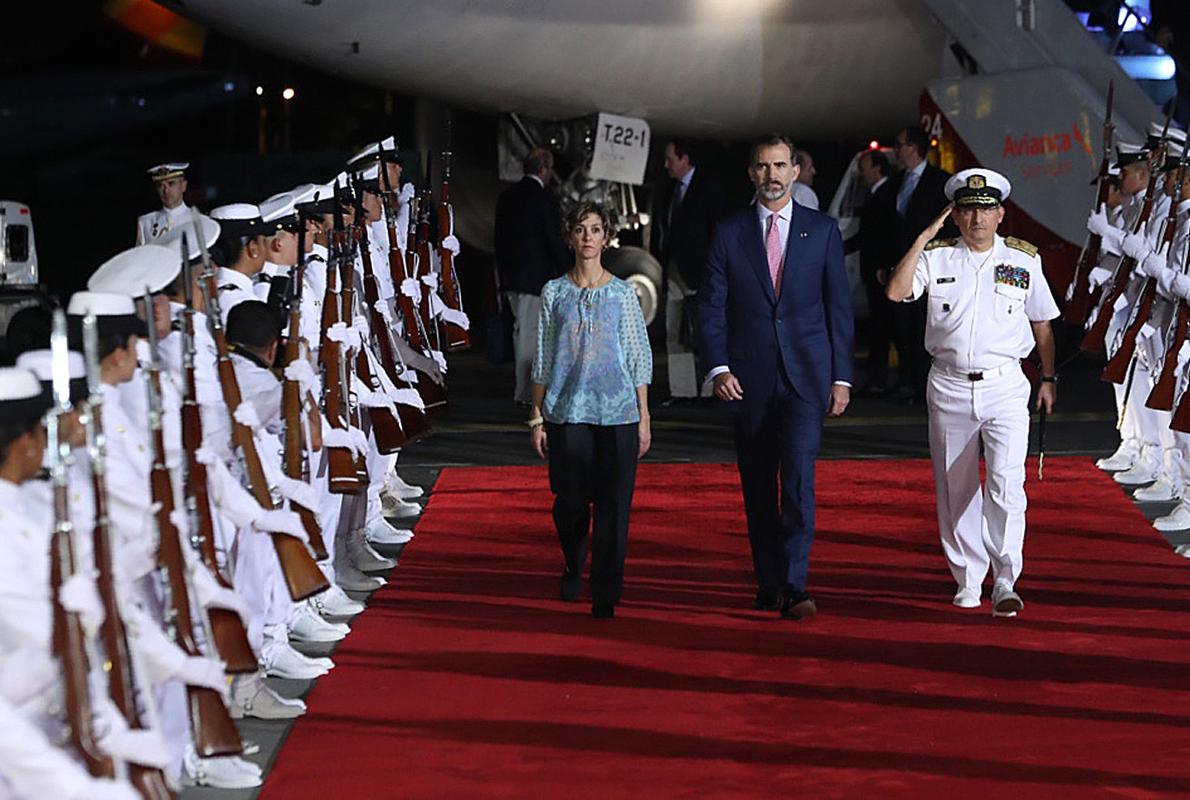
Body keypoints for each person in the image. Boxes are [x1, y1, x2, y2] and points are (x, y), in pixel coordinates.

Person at [886, 168, 1058, 617]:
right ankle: (967, 577)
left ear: (1001, 214)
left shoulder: (1023, 260)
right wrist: (923, 237)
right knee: (955, 486)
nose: (977, 218)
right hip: (948, 384)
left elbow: (1042, 323)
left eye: (985, 209)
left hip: (1005, 384)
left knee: (1006, 483)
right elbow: (896, 291)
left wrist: (1049, 377)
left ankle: (1005, 578)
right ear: (955, 216)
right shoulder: (938, 256)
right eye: (967, 210)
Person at [698, 134, 854, 620]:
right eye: (763, 167)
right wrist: (719, 366)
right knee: (759, 486)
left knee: (800, 484)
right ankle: (767, 582)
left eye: (781, 166)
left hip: (807, 378)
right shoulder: (729, 232)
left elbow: (838, 308)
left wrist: (842, 377)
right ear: (752, 174)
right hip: (748, 379)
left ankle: (794, 583)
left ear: (795, 172)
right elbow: (710, 307)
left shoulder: (823, 231)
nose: (772, 175)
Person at [528, 202, 652, 619]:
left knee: (615, 505)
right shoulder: (553, 292)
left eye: (595, 229)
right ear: (569, 236)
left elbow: (638, 355)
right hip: (567, 411)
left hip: (618, 412)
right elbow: (542, 355)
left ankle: (605, 591)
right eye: (580, 229)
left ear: (606, 236)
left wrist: (644, 415)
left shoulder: (622, 294)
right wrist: (537, 415)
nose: (587, 237)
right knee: (571, 501)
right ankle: (571, 559)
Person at [495, 147, 570, 405]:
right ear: (544, 169)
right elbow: (553, 239)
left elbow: (498, 241)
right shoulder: (544, 198)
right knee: (530, 335)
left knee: (520, 332)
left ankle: (525, 390)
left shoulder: (507, 197)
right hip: (534, 279)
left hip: (511, 279)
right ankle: (526, 393)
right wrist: (568, 269)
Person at [653, 139, 723, 402]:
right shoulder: (671, 190)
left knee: (702, 330)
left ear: (685, 159)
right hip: (674, 271)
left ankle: (709, 389)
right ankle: (682, 390)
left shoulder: (708, 189)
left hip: (700, 272)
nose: (666, 165)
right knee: (674, 331)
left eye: (670, 159)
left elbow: (716, 232)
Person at [891, 126, 953, 402]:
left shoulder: (940, 182)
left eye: (900, 144)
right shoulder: (896, 183)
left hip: (931, 267)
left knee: (924, 328)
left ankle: (922, 384)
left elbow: (948, 228)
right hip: (902, 268)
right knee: (902, 327)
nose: (896, 150)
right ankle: (907, 380)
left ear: (913, 148)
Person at [853, 149, 900, 395]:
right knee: (877, 326)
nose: (861, 173)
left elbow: (887, 235)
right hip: (873, 272)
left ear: (877, 168)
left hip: (883, 273)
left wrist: (886, 266)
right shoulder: (874, 193)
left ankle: (880, 381)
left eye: (864, 167)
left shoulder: (887, 193)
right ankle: (877, 379)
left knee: (883, 326)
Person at [136, 162, 195, 244]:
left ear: (183, 185)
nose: (166, 191)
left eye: (171, 183)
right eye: (160, 186)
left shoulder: (198, 220)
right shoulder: (146, 222)